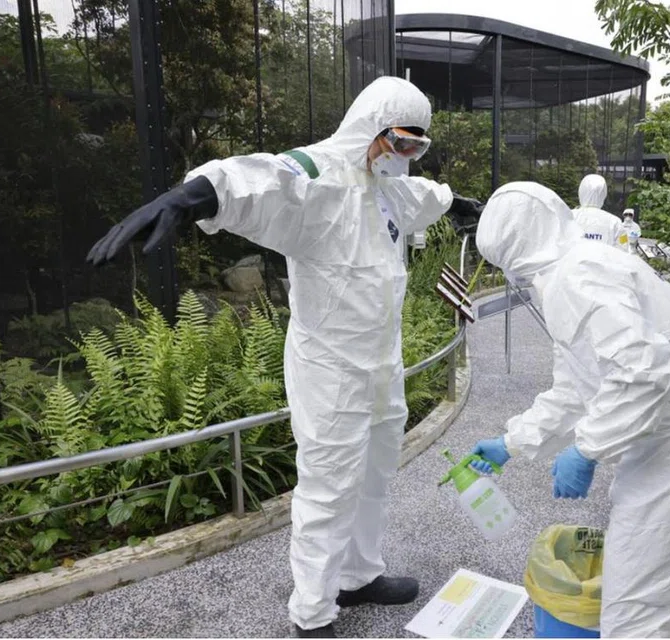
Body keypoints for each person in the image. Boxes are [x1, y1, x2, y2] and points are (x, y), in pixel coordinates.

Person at [86, 76, 481, 638]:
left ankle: (359, 574)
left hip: (381, 366)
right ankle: (313, 613)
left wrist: (458, 203)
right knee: (330, 485)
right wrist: (192, 195)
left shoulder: (390, 187)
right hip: (331, 371)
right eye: (399, 143)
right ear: (371, 128)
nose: (405, 158)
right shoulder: (318, 179)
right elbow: (262, 179)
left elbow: (425, 198)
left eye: (417, 148)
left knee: (374, 473)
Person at [468, 182, 670, 638]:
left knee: (640, 616)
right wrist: (512, 441)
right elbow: (577, 386)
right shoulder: (578, 267)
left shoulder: (576, 276)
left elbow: (643, 369)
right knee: (643, 603)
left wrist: (588, 448)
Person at [571, 174, 625, 250]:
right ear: (604, 193)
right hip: (605, 261)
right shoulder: (615, 222)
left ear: (581, 191)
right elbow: (624, 248)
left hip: (571, 261)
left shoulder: (568, 216)